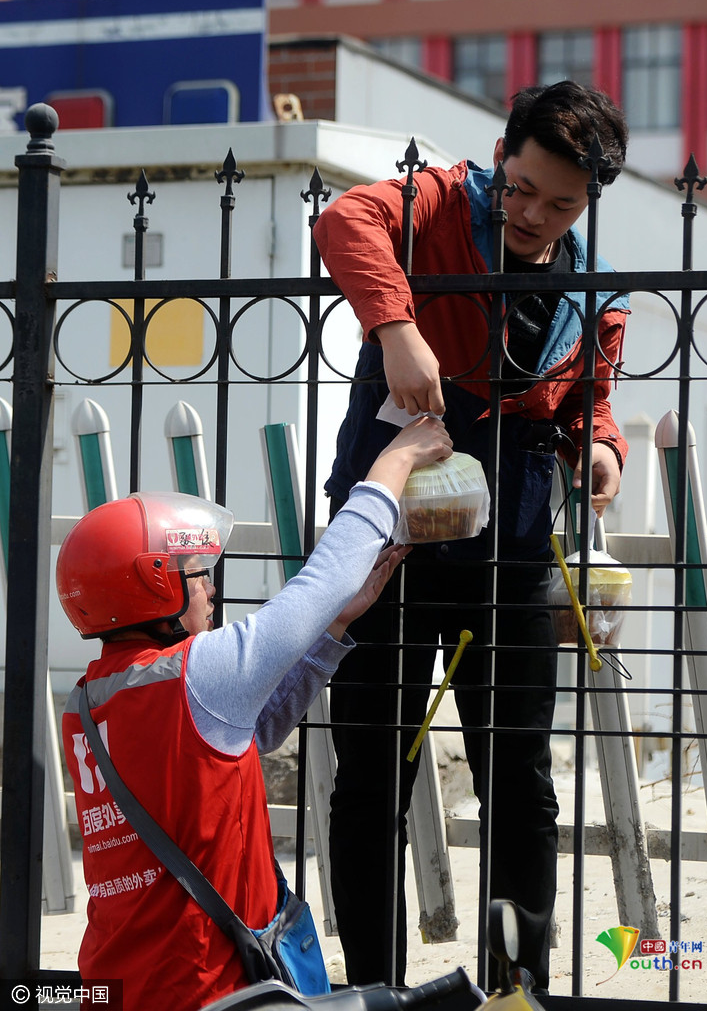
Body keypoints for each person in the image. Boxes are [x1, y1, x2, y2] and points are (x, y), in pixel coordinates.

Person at [312, 80, 630, 992]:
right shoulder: (435, 203)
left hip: (517, 554)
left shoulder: (584, 289)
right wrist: (398, 325)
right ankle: (377, 987)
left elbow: (591, 398)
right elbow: (342, 222)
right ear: (502, 156)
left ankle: (512, 987)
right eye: (523, 187)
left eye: (560, 203)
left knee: (521, 789)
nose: (531, 214)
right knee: (369, 778)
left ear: (587, 202)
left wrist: (599, 443)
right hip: (390, 550)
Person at [57, 416, 453, 1011]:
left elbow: (247, 732)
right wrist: (392, 464)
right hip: (205, 987)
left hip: (115, 985)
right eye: (199, 576)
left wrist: (338, 624)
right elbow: (319, 584)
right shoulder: (199, 672)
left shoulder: (87, 702)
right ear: (155, 583)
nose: (212, 590)